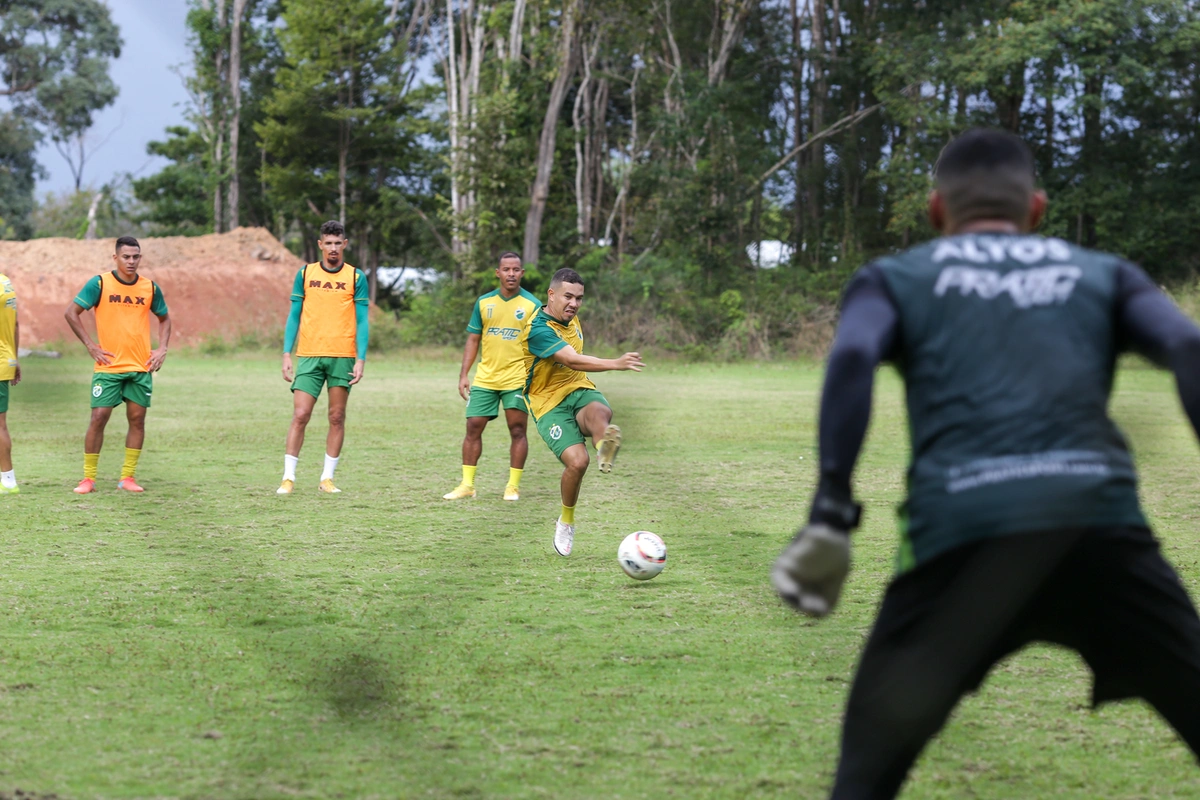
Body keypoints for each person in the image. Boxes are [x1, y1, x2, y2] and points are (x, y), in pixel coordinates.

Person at [771, 128, 1200, 798]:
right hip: (1101, 538)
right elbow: (1188, 347)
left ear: (938, 212)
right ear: (1036, 208)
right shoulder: (1104, 273)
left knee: (864, 780)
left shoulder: (894, 278)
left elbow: (852, 357)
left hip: (958, 548)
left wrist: (832, 511)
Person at [520, 268, 643, 556]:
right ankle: (566, 521)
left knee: (599, 411)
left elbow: (575, 368)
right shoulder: (537, 328)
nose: (574, 304)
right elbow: (572, 359)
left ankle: (605, 445)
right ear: (551, 295)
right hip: (548, 404)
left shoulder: (571, 319)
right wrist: (616, 363)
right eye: (568, 297)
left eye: (579, 298)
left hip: (578, 389)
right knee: (577, 463)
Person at [65, 236, 171, 494]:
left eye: (136, 257)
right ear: (116, 258)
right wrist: (91, 345)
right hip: (108, 366)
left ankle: (128, 477)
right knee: (98, 417)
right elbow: (71, 312)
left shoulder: (150, 288)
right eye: (126, 257)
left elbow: (165, 318)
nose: (131, 261)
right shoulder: (100, 283)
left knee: (137, 420)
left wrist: (162, 349)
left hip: (139, 367)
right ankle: (88, 478)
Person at [278, 220, 368, 494]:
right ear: (320, 245)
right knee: (301, 414)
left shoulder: (355, 277)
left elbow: (362, 321)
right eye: (327, 243)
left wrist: (361, 358)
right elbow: (294, 316)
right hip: (309, 355)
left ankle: (327, 478)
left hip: (343, 356)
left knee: (337, 416)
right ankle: (288, 478)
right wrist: (285, 352)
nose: (332, 248)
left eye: (337, 243)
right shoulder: (305, 274)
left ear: (345, 244)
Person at [444, 251, 540, 501]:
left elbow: (541, 341)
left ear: (522, 273)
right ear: (498, 273)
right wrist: (464, 374)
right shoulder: (484, 302)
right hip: (486, 378)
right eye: (506, 269)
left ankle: (513, 486)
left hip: (518, 378)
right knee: (473, 427)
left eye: (515, 269)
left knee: (517, 429)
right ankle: (467, 485)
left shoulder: (532, 305)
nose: (511, 274)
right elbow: (473, 338)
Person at [0, 272, 20, 494]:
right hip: (6, 357)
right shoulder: (5, 282)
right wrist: (15, 358)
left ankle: (8, 481)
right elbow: (16, 324)